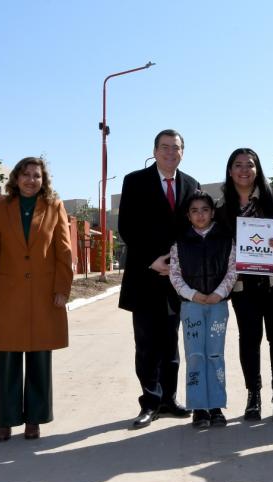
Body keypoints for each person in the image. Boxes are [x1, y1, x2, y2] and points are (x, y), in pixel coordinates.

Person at [0, 157, 73, 441]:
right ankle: (5, 421)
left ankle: (35, 420)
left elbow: (64, 251)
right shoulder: (0, 208)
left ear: (43, 180)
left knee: (39, 359)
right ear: (16, 179)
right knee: (7, 360)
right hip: (9, 295)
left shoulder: (54, 207)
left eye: (36, 175)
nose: (31, 180)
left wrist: (62, 288)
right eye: (26, 175)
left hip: (45, 295)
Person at [118, 129, 201, 429]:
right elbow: (128, 226)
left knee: (172, 343)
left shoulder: (192, 184)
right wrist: (151, 260)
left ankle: (170, 398)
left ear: (182, 152)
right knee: (147, 344)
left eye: (175, 148)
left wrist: (181, 264)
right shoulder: (134, 181)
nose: (170, 153)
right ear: (154, 151)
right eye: (164, 147)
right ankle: (149, 402)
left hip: (178, 280)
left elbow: (196, 229)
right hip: (145, 275)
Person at [215, 148, 273, 423]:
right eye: (238, 165)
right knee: (249, 340)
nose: (244, 170)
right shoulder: (222, 208)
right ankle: (254, 396)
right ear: (230, 171)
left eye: (249, 165)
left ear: (257, 169)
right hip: (243, 285)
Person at [168, 191, 237, 429]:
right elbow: (174, 275)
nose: (200, 215)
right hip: (191, 307)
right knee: (195, 356)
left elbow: (232, 269)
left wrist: (219, 293)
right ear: (188, 215)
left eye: (205, 210)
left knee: (215, 355)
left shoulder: (226, 238)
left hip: (218, 305)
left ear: (213, 212)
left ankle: (216, 406)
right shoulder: (180, 242)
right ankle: (198, 407)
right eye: (195, 211)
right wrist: (193, 295)